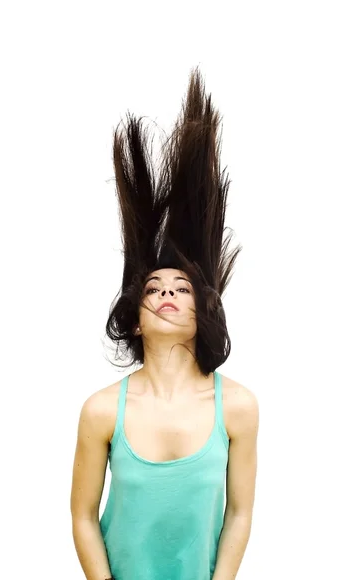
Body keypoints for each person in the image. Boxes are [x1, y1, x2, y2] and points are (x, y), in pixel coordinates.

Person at [70, 67, 259, 580]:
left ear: (204, 311)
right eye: (154, 289)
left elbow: (240, 513)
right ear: (135, 321)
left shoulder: (237, 406)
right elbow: (83, 516)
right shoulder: (102, 411)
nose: (169, 293)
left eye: (182, 288)